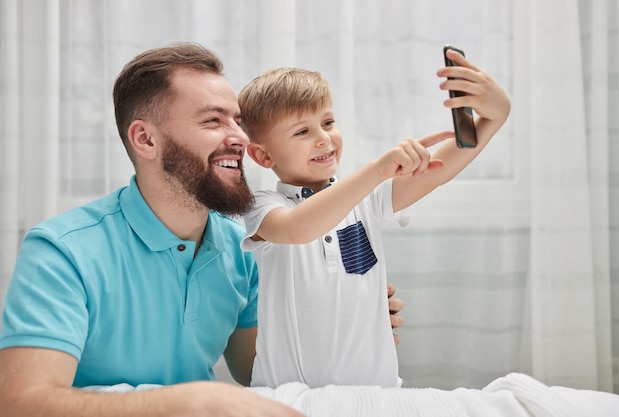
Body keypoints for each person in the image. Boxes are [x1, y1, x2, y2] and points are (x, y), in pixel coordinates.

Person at [0, 42, 405, 417]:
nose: (242, 139)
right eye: (214, 120)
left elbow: (259, 369)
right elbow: (21, 402)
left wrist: (339, 314)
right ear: (146, 139)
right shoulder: (61, 252)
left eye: (239, 122)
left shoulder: (238, 246)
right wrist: (187, 401)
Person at [237, 49, 510, 388]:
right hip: (288, 394)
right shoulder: (263, 205)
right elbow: (297, 229)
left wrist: (495, 116)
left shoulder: (369, 198)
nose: (323, 137)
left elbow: (439, 171)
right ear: (263, 155)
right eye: (302, 132)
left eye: (327, 122)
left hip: (375, 392)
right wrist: (378, 170)